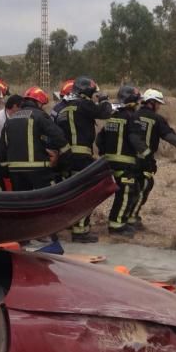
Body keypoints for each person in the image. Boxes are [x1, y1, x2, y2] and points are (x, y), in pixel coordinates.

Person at [56, 76, 113, 242]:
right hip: (82, 157)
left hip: (66, 157)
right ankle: (80, 231)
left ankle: (68, 224)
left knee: (70, 194)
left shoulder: (63, 110)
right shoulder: (84, 104)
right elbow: (105, 112)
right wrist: (104, 99)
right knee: (85, 194)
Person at [130, 88, 176, 230]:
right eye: (158, 103)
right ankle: (132, 218)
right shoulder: (156, 119)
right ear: (151, 103)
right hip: (145, 161)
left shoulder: (132, 115)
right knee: (145, 186)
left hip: (128, 160)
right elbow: (170, 137)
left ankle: (126, 216)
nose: (159, 107)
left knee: (129, 189)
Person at [97, 84, 149, 237]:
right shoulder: (131, 118)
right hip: (125, 163)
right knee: (126, 191)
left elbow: (100, 139)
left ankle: (119, 222)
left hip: (108, 162)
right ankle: (117, 226)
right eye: (137, 102)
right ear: (132, 101)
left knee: (124, 191)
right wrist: (147, 155)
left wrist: (104, 153)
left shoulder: (113, 117)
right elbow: (135, 139)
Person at [0, 86, 71, 192]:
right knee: (50, 196)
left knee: (22, 202)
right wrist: (64, 165)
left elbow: (2, 148)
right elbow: (59, 137)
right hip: (39, 170)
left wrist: (6, 171)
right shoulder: (40, 116)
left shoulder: (10, 120)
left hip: (15, 172)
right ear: (38, 103)